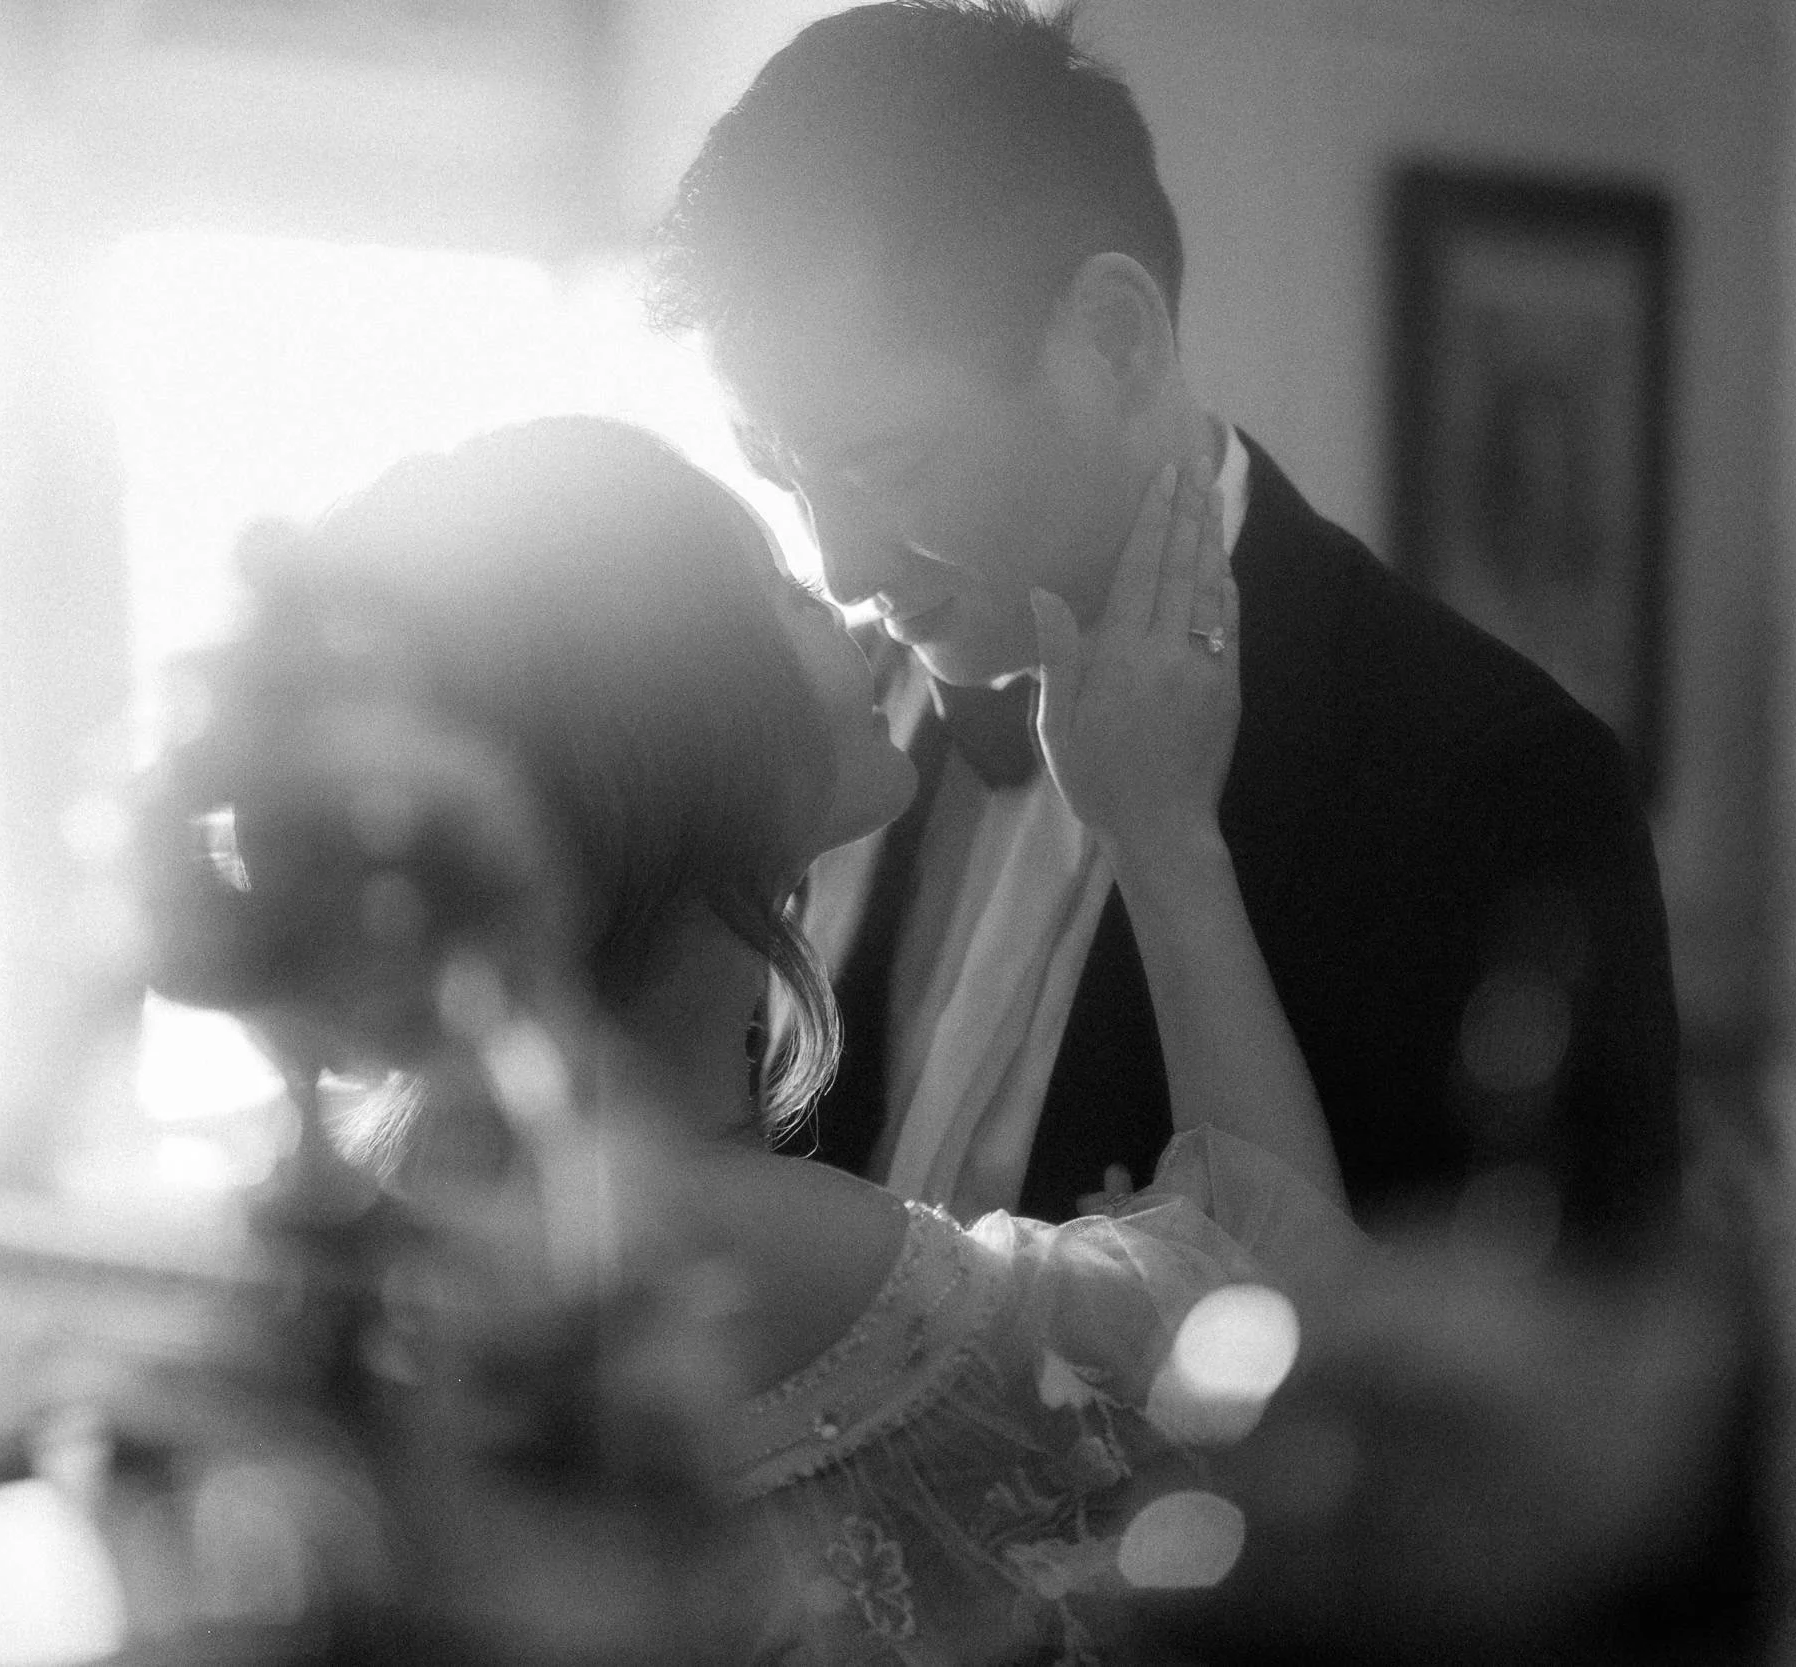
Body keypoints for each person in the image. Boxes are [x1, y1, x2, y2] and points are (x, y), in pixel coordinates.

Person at [130, 416, 1365, 1664]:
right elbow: (1300, 1347)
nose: (840, 599)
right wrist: (1164, 835)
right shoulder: (725, 1246)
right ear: (676, 708)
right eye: (774, 584)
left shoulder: (422, 1189)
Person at [646, 0, 1683, 1253]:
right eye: (784, 474)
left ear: (1118, 338)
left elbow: (1537, 1381)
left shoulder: (1496, 775)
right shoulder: (822, 725)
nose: (843, 564)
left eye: (890, 461)